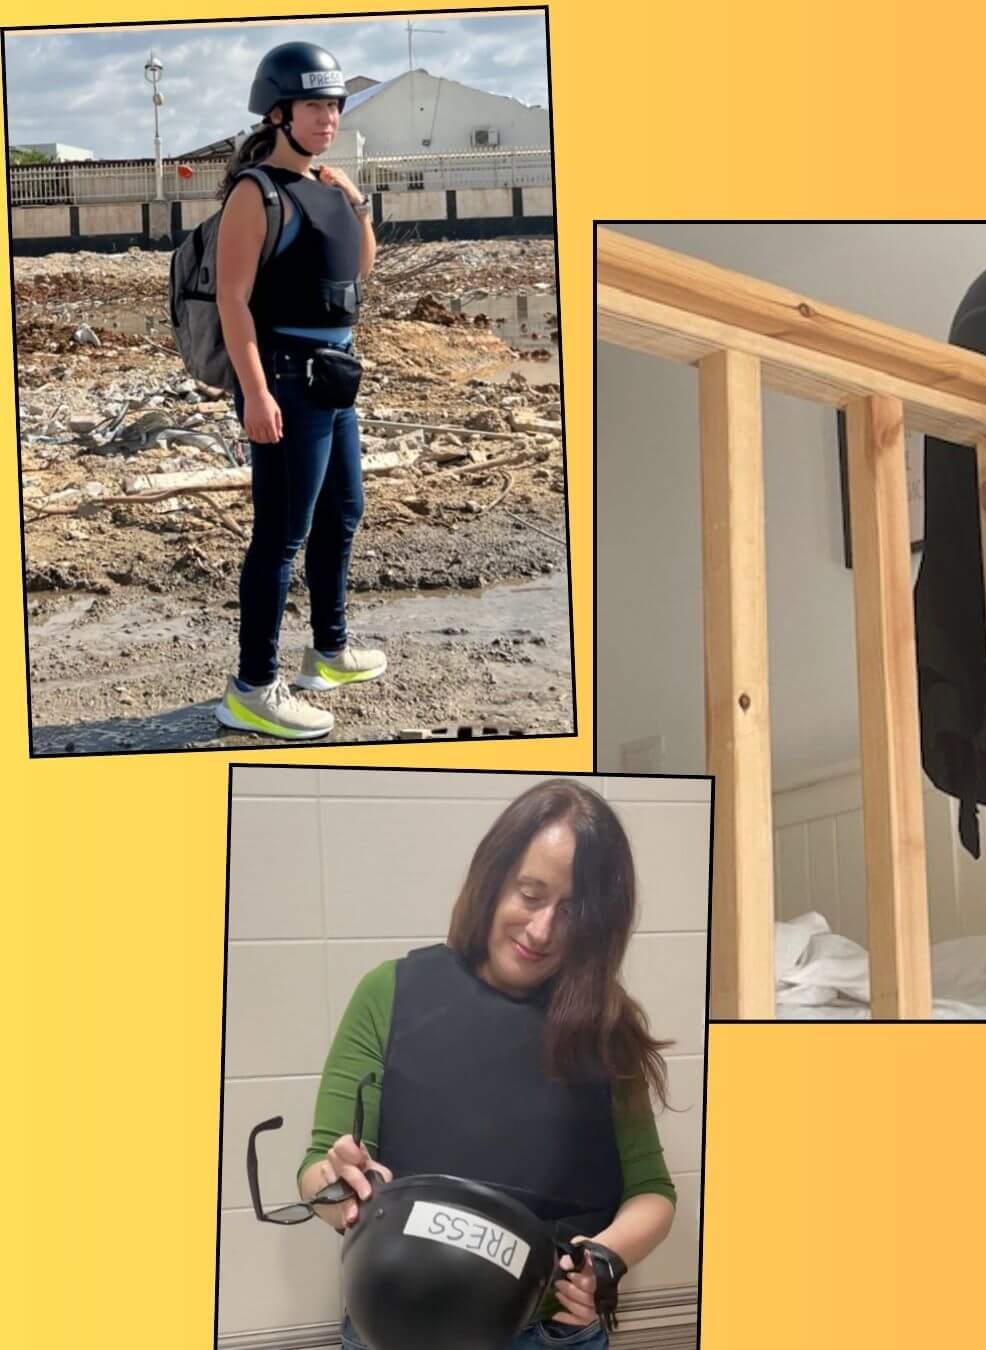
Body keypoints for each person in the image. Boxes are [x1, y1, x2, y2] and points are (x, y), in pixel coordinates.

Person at [297, 780, 677, 1347]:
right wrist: (342, 1190)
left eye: (571, 911)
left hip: (547, 1333)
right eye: (530, 894)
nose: (542, 929)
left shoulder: (607, 1025)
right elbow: (315, 1170)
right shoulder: (389, 992)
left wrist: (604, 1259)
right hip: (397, 1326)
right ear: (493, 878)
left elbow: (652, 1192)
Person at [212, 41, 385, 740]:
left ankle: (329, 653)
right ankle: (253, 688)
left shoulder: (327, 183)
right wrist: (256, 394)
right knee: (280, 537)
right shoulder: (257, 193)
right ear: (279, 112)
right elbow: (231, 302)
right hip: (286, 379)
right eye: (315, 105)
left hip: (335, 376)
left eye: (334, 105)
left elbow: (360, 270)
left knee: (344, 511)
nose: (329, 117)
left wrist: (354, 198)